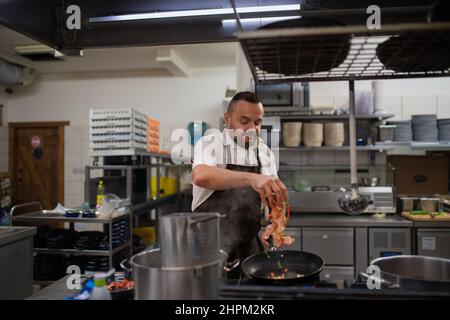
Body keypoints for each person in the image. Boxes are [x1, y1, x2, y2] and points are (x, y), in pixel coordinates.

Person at [191, 91, 288, 266]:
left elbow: (273, 201)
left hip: (248, 248)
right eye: (244, 121)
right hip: (207, 248)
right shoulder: (211, 143)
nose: (252, 128)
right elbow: (201, 176)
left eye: (257, 123)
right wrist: (252, 178)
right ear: (227, 119)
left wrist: (276, 224)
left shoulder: (264, 153)